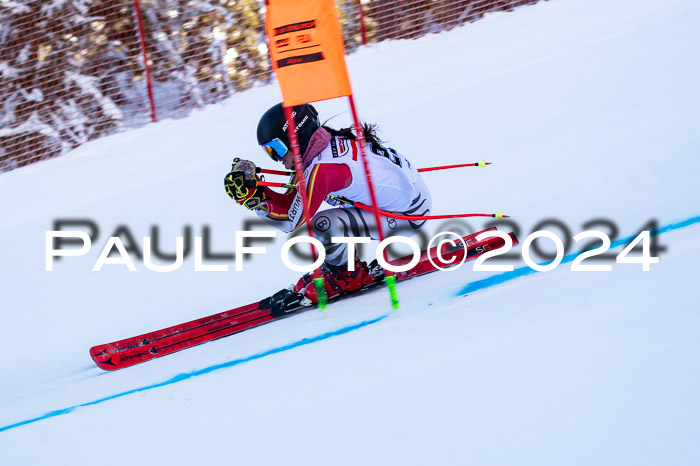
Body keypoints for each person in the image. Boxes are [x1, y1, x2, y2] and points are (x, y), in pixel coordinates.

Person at [224, 102, 432, 304]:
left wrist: (253, 198)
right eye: (269, 152)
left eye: (276, 149)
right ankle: (338, 265)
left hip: (408, 214)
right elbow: (292, 201)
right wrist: (258, 189)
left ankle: (347, 276)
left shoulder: (322, 170)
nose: (277, 159)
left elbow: (290, 220)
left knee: (322, 225)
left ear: (296, 138)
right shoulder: (320, 147)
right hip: (408, 196)